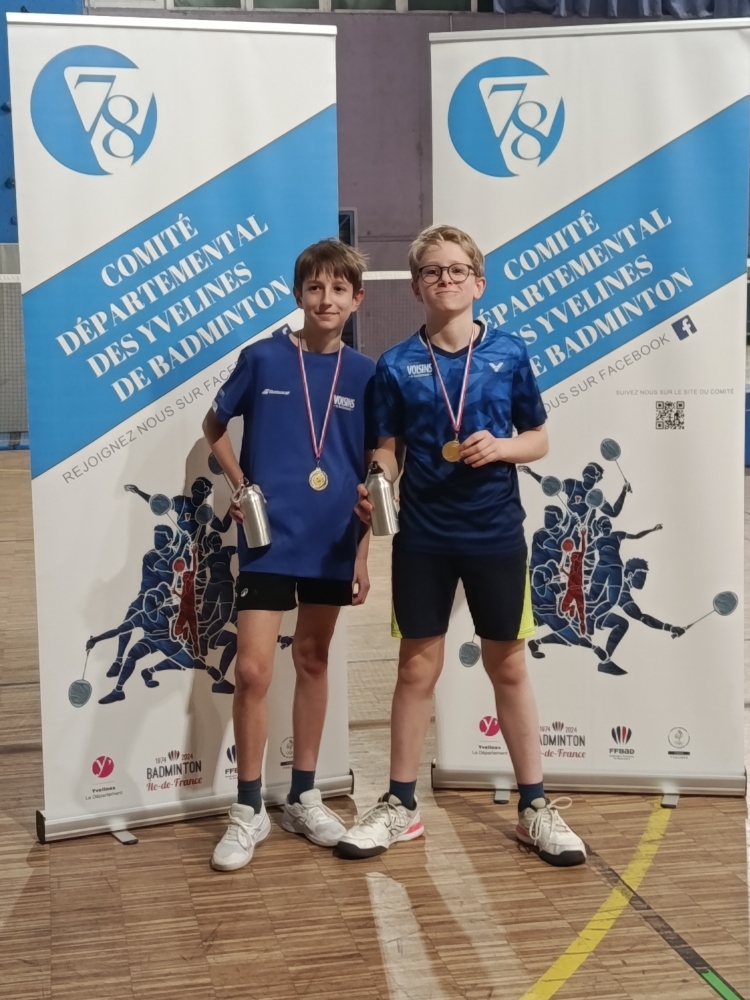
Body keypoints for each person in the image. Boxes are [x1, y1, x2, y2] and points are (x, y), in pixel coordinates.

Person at [335, 225, 586, 867]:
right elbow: (386, 449)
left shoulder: (508, 352)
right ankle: (400, 805)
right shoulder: (396, 364)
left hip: (495, 535)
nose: (444, 280)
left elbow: (538, 437)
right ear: (416, 286)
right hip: (423, 538)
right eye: (432, 271)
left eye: (456, 270)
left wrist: (501, 447)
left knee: (509, 667)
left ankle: (534, 806)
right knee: (416, 670)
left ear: (479, 282)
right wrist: (377, 483)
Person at [203, 238, 376, 872]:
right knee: (252, 671)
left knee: (312, 658)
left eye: (339, 289)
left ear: (357, 299)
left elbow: (374, 467)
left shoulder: (366, 374)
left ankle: (304, 795)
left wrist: (362, 554)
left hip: (332, 540)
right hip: (268, 538)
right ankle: (248, 807)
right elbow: (213, 427)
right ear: (298, 293)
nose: (326, 299)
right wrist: (241, 485)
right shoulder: (264, 358)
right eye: (315, 288)